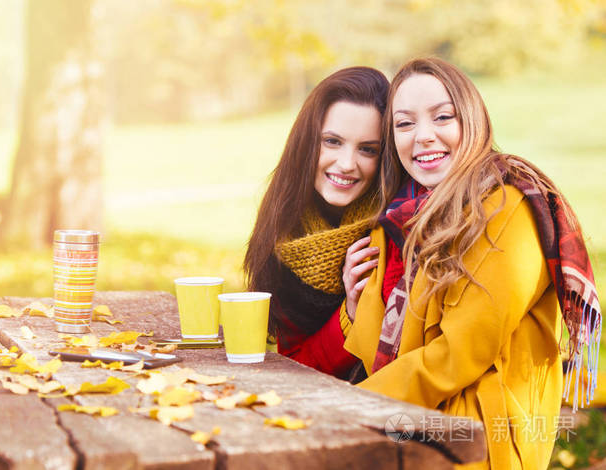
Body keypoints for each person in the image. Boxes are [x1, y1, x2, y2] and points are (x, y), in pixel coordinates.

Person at [342, 57, 602, 469]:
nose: (423, 137)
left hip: (478, 436)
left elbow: (461, 352)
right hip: (413, 415)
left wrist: (349, 408)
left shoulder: (505, 205)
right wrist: (359, 307)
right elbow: (383, 353)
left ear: (472, 120)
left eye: (442, 117)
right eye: (404, 124)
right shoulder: (401, 219)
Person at [243, 66, 389, 379]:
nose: (348, 164)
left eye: (367, 149)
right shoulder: (287, 226)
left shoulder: (393, 225)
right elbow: (296, 365)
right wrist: (350, 312)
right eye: (333, 142)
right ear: (307, 142)